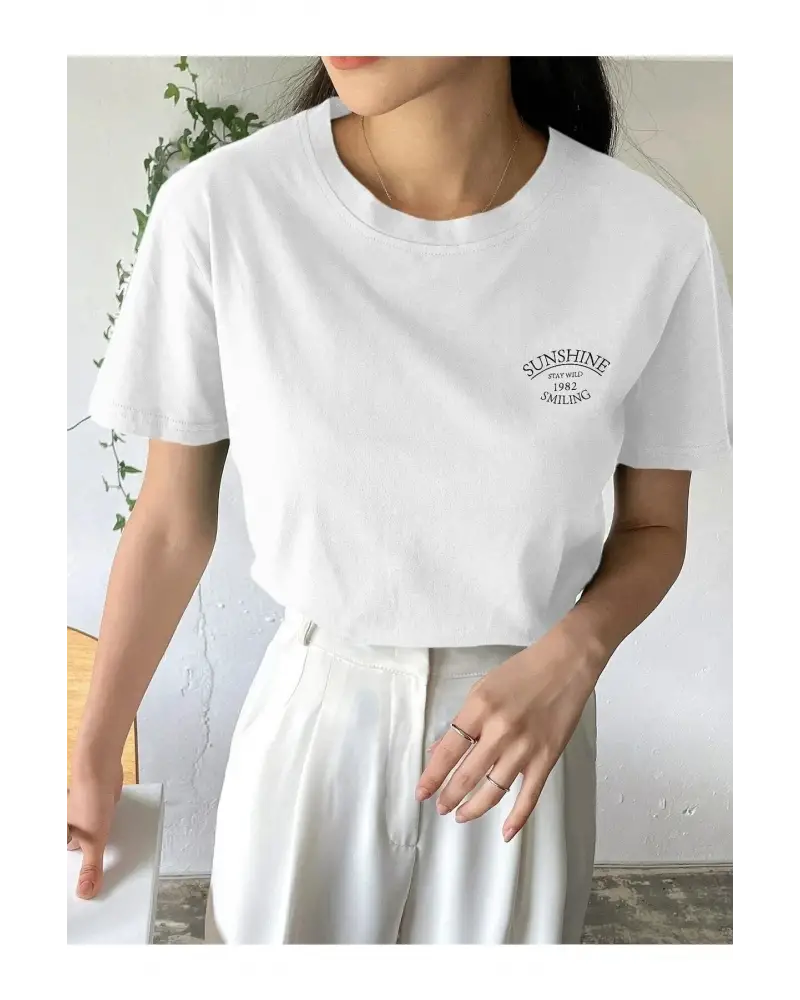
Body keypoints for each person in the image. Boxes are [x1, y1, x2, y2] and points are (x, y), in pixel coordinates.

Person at [67, 56, 734, 944]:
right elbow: (169, 522)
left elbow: (654, 524)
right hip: (314, 723)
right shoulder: (224, 209)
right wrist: (94, 749)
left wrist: (577, 653)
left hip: (523, 740)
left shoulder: (652, 241)